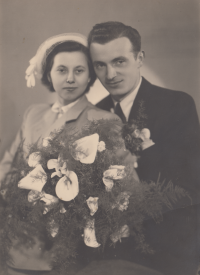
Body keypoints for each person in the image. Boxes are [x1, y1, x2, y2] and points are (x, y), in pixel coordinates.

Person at [0, 33, 133, 275]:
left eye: (79, 70)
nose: (70, 79)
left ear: (90, 76)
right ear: (49, 74)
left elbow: (127, 183)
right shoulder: (34, 114)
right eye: (61, 70)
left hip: (66, 246)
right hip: (20, 237)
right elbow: (9, 165)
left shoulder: (103, 120)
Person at [88, 21, 200, 275]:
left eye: (119, 61)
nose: (110, 74)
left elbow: (191, 186)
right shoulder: (95, 114)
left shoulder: (176, 104)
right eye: (100, 65)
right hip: (110, 253)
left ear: (139, 58)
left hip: (168, 251)